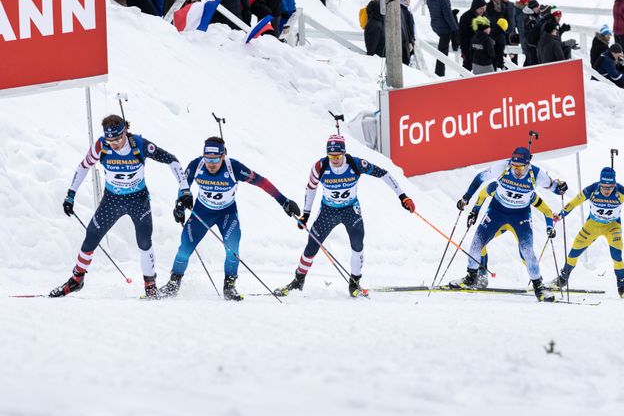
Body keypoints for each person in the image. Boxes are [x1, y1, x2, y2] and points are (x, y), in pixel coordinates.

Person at [50, 115, 192, 298]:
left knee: (144, 241)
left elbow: (171, 160)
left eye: (118, 139)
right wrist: (71, 194)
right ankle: (77, 280)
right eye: (110, 140)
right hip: (112, 200)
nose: (114, 144)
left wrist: (185, 190)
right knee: (91, 236)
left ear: (125, 131)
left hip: (138, 200)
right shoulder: (101, 146)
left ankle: (150, 288)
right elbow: (84, 166)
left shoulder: (139, 144)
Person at [159, 137, 299, 301]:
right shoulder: (196, 165)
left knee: (232, 249)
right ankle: (173, 284)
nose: (211, 164)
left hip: (227, 213)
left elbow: (262, 182)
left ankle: (229, 286)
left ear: (223, 156)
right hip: (201, 212)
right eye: (208, 159)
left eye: (215, 159)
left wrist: (283, 201)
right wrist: (180, 205)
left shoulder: (234, 168)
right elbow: (184, 186)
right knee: (185, 248)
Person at [276, 135, 415, 298]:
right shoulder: (319, 167)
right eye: (331, 156)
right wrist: (306, 214)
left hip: (351, 210)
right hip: (328, 211)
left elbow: (383, 174)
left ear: (343, 153)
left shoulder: (356, 164)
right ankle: (298, 281)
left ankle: (354, 283)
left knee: (357, 244)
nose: (334, 159)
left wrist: (402, 196)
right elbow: (310, 189)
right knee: (311, 247)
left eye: (338, 156)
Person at [451, 147, 567, 302]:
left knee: (527, 251)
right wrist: (466, 199)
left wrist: (560, 187)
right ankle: (470, 278)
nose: (517, 170)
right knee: (476, 244)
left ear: (528, 164)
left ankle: (539, 288)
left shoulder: (537, 175)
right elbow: (479, 178)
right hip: (496, 212)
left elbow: (555, 188)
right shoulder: (502, 167)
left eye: (521, 167)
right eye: (514, 166)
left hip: (520, 216)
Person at [549, 167, 624, 299]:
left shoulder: (623, 191)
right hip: (593, 225)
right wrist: (560, 215)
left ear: (614, 185)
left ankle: (622, 288)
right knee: (574, 252)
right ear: (600, 184)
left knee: (617, 256)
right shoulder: (592, 189)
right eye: (604, 187)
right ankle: (562, 279)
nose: (607, 191)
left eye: (610, 187)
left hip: (613, 226)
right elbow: (573, 203)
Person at [427, 0, 459, 77]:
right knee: (443, 50)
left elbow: (439, 13)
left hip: (435, 26)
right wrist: (456, 29)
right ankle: (439, 73)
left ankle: (440, 71)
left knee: (443, 47)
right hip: (444, 28)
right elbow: (448, 17)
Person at [458, 0, 487, 71]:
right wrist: (464, 51)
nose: (483, 10)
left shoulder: (484, 16)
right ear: (475, 7)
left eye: (484, 8)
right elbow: (462, 35)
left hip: (481, 50)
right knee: (466, 69)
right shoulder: (465, 17)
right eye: (481, 8)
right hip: (468, 48)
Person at [485, 0, 510, 70]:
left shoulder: (503, 6)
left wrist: (504, 28)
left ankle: (500, 69)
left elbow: (506, 19)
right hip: (492, 33)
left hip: (501, 33)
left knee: (500, 53)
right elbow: (489, 19)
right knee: (492, 54)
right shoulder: (488, 6)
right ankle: (494, 70)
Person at [521, 0, 540, 66]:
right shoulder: (529, 18)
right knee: (531, 61)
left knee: (531, 60)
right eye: (536, 7)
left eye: (538, 6)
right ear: (532, 8)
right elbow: (530, 32)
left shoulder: (535, 15)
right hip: (529, 44)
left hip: (532, 43)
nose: (538, 8)